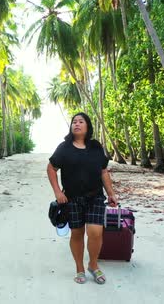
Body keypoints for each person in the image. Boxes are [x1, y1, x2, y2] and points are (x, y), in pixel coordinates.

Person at [47, 112, 118, 285]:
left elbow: (103, 171)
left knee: (95, 232)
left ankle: (93, 265)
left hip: (95, 197)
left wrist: (110, 193)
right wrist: (58, 192)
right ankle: (79, 268)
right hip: (72, 199)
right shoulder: (64, 148)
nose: (76, 124)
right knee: (77, 234)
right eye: (74, 122)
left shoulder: (95, 147)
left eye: (81, 121)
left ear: (87, 126)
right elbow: (51, 168)